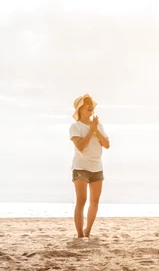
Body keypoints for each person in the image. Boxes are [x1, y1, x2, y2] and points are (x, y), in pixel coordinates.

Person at [69, 94, 110, 238]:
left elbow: (107, 145)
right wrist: (91, 130)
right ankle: (80, 234)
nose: (89, 105)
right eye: (86, 103)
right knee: (81, 201)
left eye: (90, 102)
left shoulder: (99, 125)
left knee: (95, 202)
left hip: (97, 167)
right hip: (81, 167)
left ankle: (88, 232)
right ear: (80, 108)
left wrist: (96, 129)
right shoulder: (75, 127)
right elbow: (80, 146)